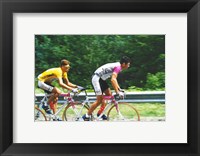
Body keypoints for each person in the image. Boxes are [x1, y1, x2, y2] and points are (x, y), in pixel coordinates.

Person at [82, 56, 131, 121]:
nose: (128, 66)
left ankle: (100, 113)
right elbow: (113, 79)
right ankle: (86, 116)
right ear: (124, 64)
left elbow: (114, 80)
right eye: (128, 64)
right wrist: (117, 92)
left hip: (101, 79)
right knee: (99, 100)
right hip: (97, 78)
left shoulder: (118, 66)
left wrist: (119, 89)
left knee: (109, 95)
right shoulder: (118, 67)